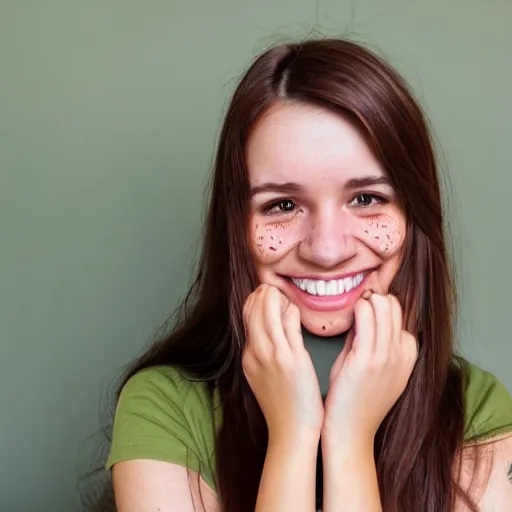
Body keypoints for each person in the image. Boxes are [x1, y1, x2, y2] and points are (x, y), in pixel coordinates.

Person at [104, 39, 512, 511]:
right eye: (283, 205)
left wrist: (348, 439)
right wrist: (295, 432)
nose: (327, 249)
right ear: (237, 225)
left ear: (415, 213)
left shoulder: (476, 410)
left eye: (366, 199)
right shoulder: (162, 407)